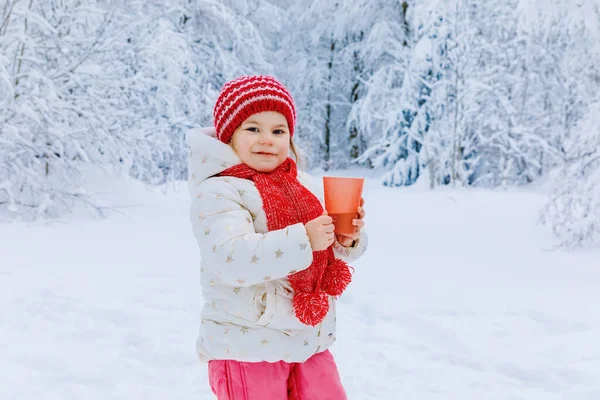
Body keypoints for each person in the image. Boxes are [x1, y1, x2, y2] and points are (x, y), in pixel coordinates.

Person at [187, 75, 367, 399]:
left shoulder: (303, 186)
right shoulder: (219, 191)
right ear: (229, 137)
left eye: (278, 130)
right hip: (247, 345)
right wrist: (304, 240)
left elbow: (325, 251)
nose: (267, 139)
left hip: (309, 339)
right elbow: (231, 258)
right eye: (253, 128)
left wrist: (346, 238)